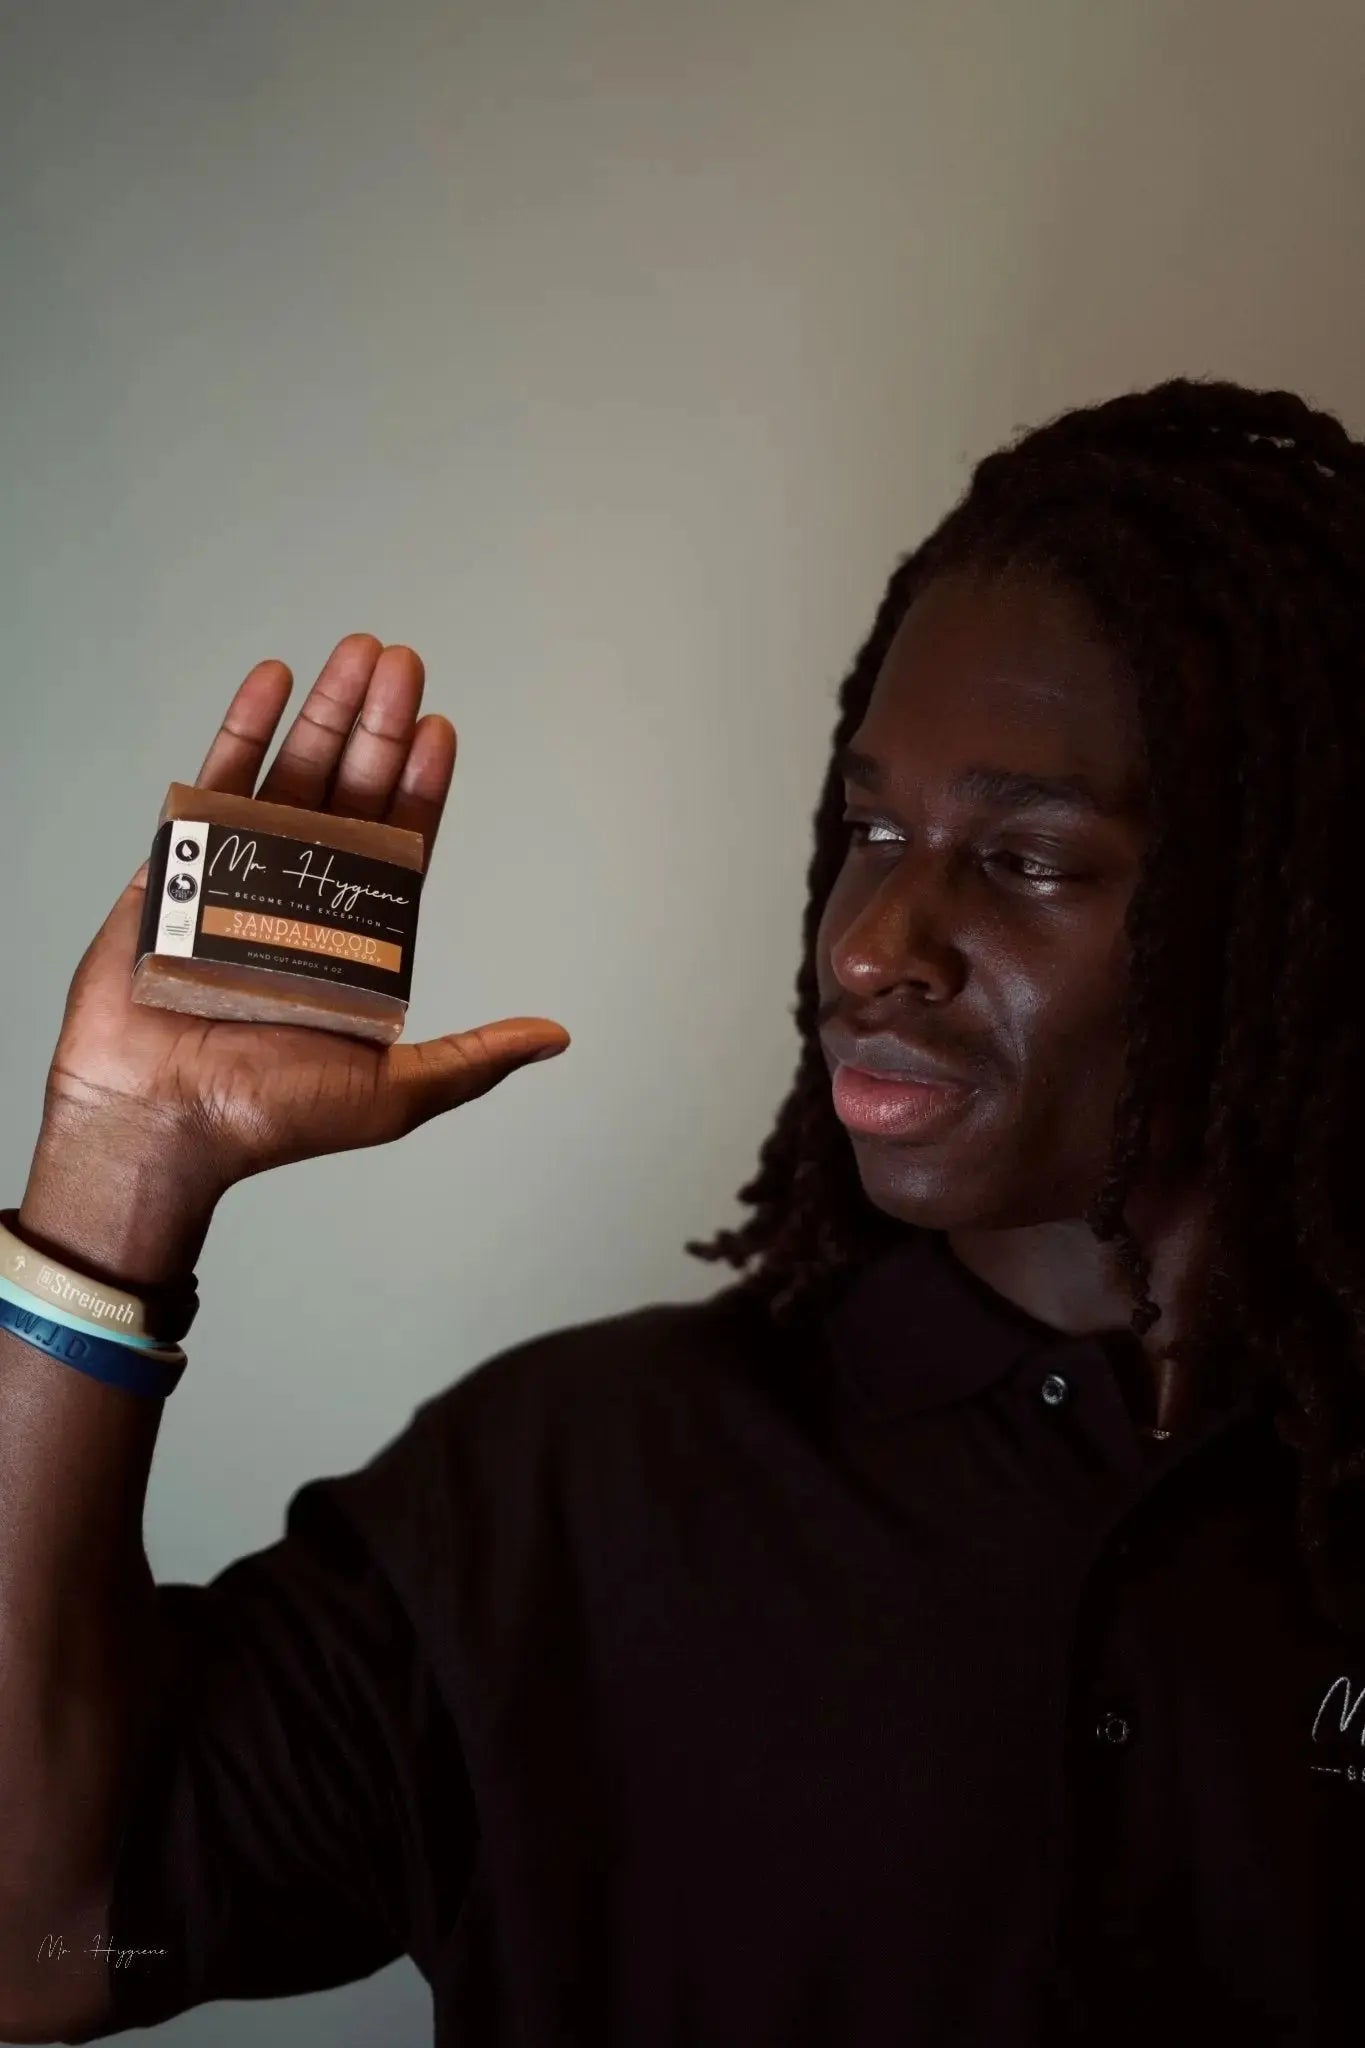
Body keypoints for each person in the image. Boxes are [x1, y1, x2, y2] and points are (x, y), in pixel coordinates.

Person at [1, 373, 1362, 2048]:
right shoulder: (571, 1490)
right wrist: (118, 1165)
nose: (872, 944)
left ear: (1304, 894)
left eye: (1024, 860)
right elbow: (32, 1941)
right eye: (871, 829)